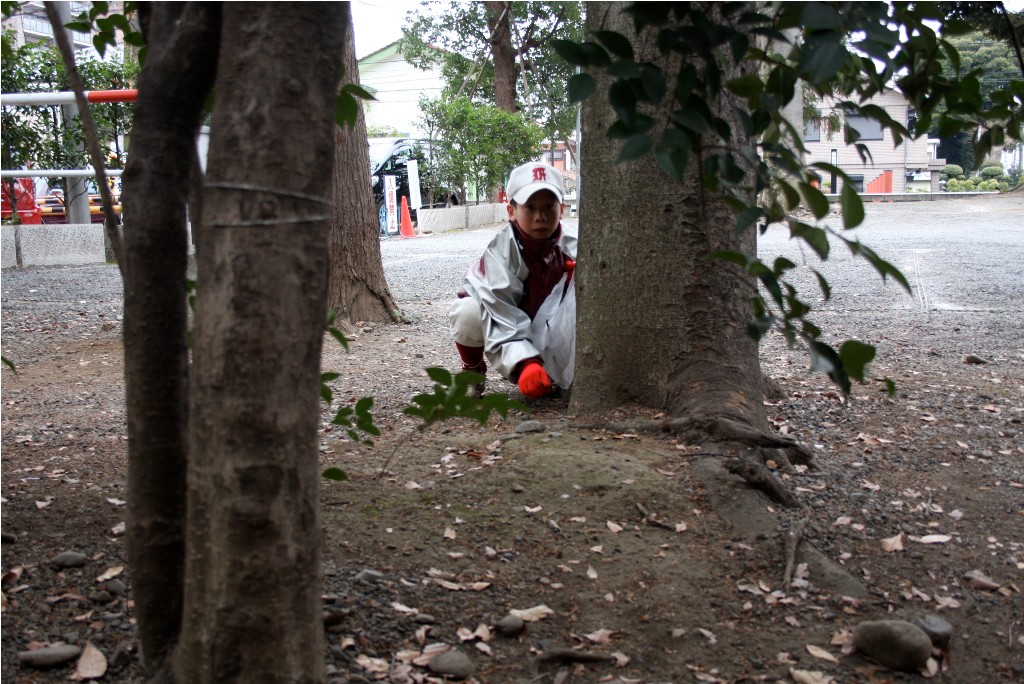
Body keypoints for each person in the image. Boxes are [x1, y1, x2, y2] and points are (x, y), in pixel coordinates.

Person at [448, 161, 577, 399]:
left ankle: (557, 372)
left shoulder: (576, 246)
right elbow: (501, 312)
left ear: (561, 209)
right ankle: (472, 372)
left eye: (549, 206)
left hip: (549, 326)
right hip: (506, 322)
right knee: (467, 312)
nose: (540, 217)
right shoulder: (501, 252)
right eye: (530, 207)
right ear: (512, 211)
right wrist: (524, 362)